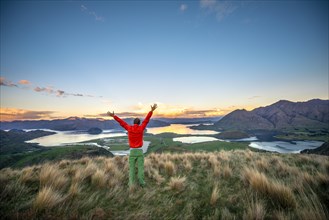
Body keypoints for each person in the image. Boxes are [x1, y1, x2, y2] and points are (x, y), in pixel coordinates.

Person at [107, 104, 157, 187]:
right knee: (140, 168)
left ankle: (131, 183)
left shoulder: (129, 128)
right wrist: (151, 111)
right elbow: (146, 120)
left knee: (132, 169)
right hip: (140, 151)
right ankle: (142, 183)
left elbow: (121, 122)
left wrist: (114, 116)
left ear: (133, 123)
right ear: (139, 123)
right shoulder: (141, 128)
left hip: (132, 152)